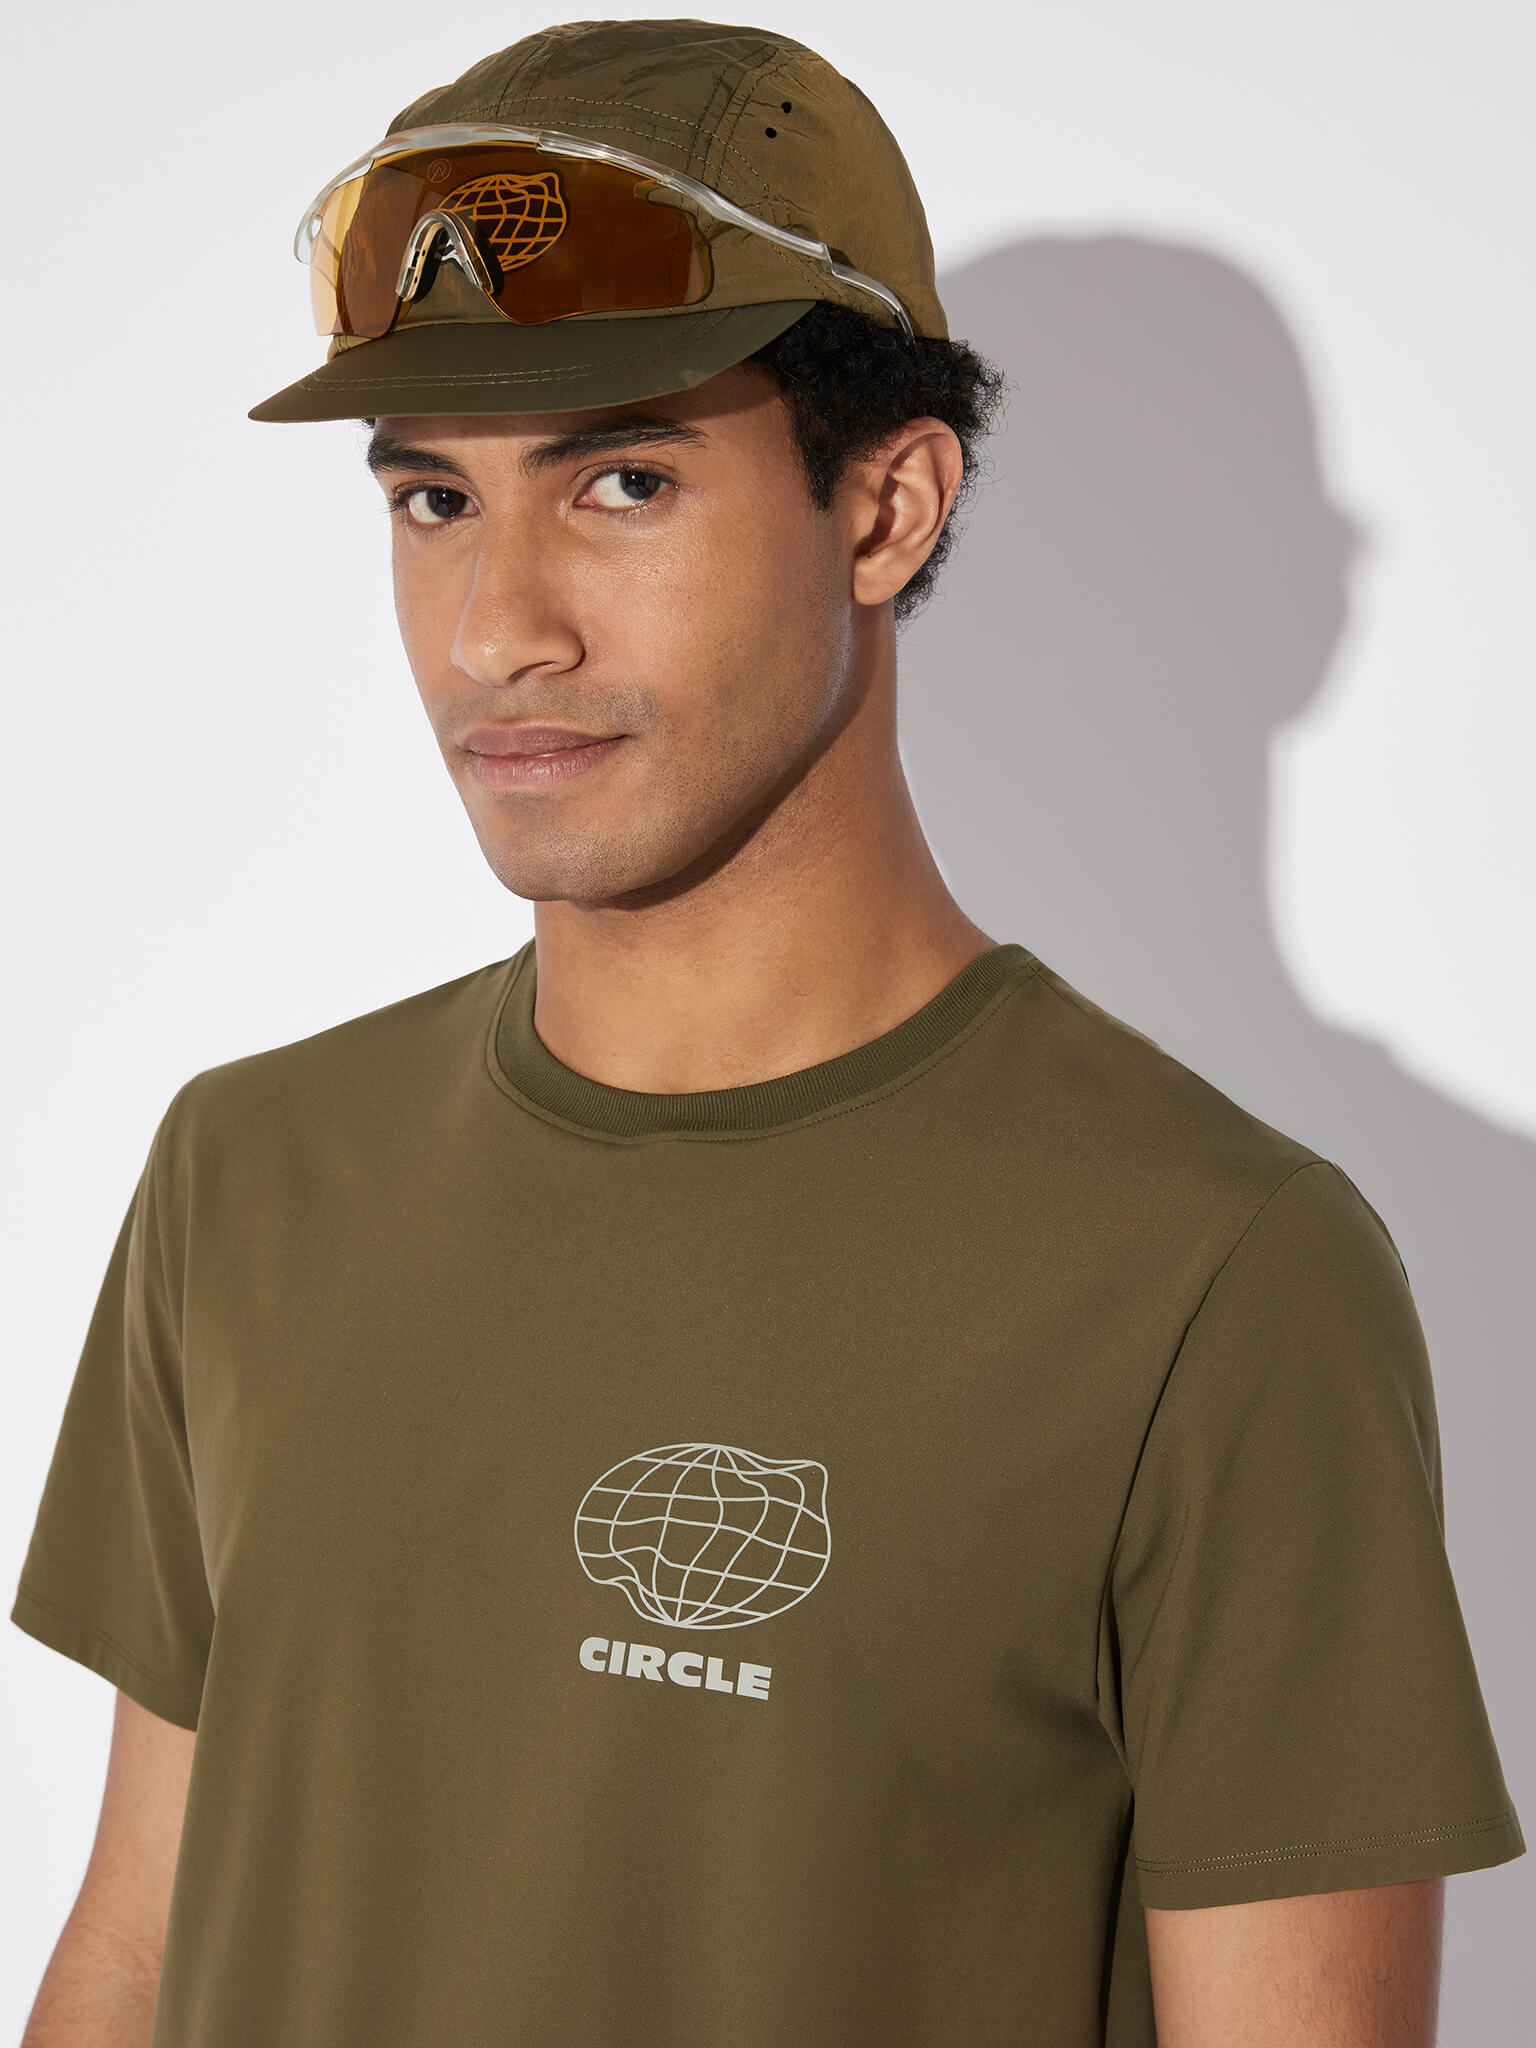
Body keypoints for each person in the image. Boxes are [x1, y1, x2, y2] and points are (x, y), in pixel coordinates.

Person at [9, 18, 1523, 2048]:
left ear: (888, 509)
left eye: (622, 480)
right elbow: (134, 1945)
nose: (496, 628)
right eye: (433, 499)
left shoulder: (1218, 1274)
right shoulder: (247, 1173)